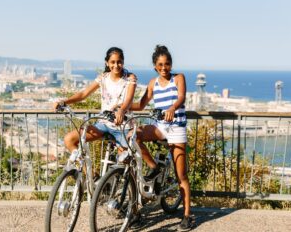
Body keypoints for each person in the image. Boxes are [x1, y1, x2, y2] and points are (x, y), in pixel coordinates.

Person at [129, 45, 192, 231]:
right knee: (135, 135)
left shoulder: (179, 78)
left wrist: (172, 108)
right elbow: (141, 105)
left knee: (182, 175)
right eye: (160, 65)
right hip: (160, 127)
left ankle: (188, 215)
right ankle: (154, 167)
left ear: (171, 64)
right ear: (155, 66)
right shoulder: (153, 83)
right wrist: (122, 107)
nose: (164, 68)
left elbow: (181, 97)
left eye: (167, 64)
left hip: (177, 128)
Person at [53, 47, 137, 163]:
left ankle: (131, 181)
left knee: (125, 162)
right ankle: (92, 177)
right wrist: (64, 102)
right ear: (107, 63)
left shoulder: (129, 78)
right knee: (69, 140)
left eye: (119, 62)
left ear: (123, 62)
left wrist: (121, 110)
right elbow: (84, 94)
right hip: (103, 123)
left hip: (122, 126)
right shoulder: (103, 78)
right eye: (112, 62)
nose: (116, 65)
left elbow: (129, 99)